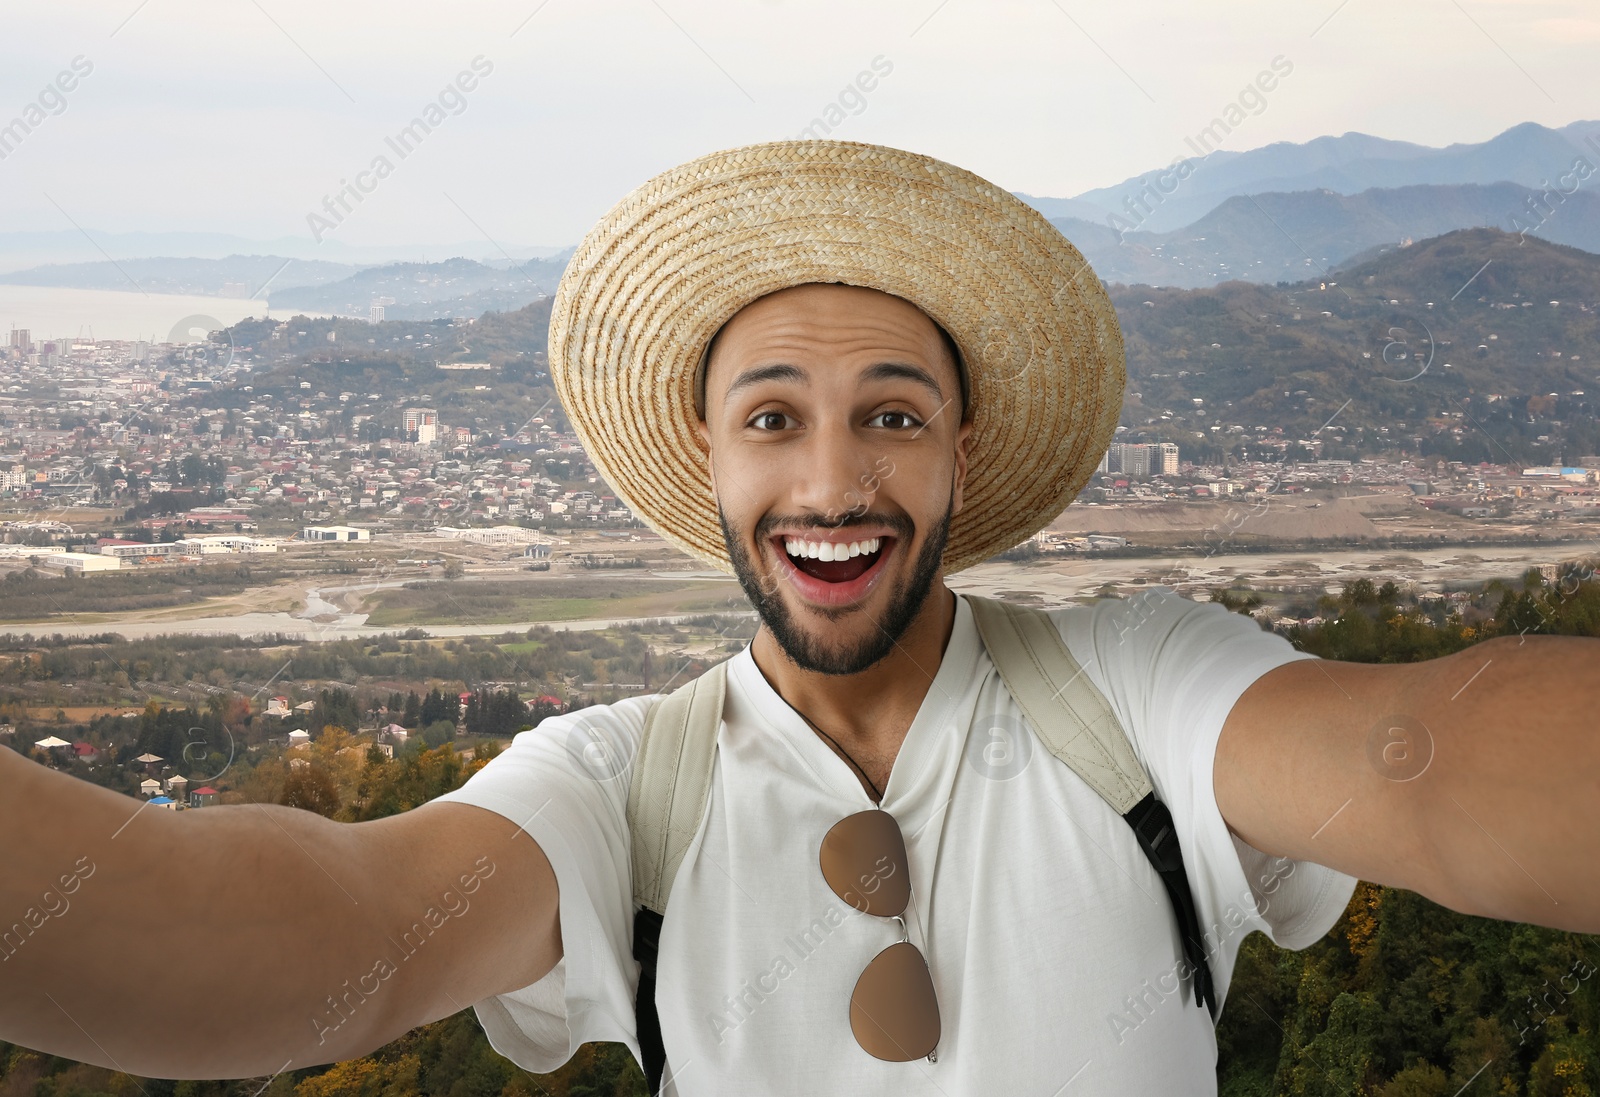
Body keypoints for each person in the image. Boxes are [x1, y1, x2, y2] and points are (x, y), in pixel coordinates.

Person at [2, 140, 1597, 1095]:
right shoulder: (628, 783)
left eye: (892, 416)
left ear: (965, 448)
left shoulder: (1133, 687)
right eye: (771, 418)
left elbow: (1419, 766)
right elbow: (337, 936)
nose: (832, 481)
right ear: (706, 453)